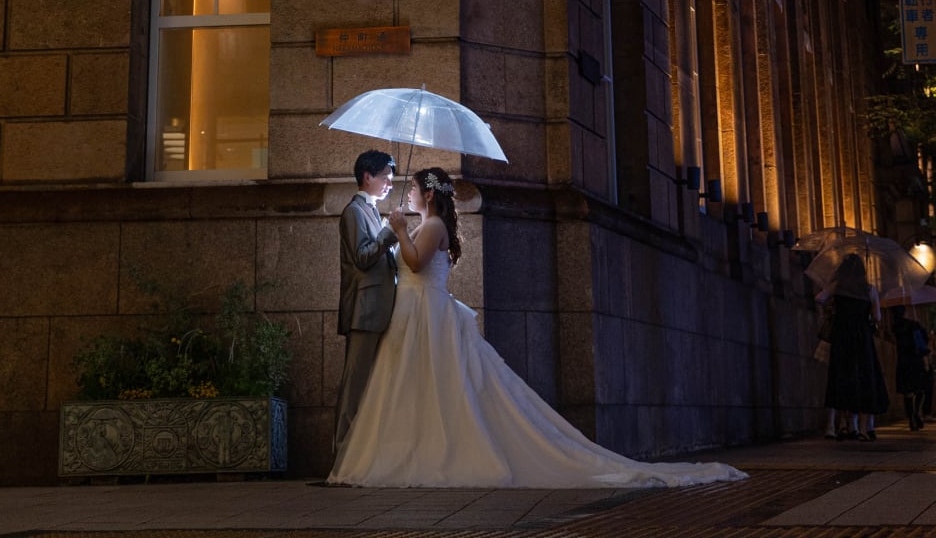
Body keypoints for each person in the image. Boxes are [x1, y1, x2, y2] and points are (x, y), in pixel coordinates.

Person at [328, 166, 747, 488]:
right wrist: (401, 232)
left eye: (417, 188)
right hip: (415, 314)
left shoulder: (432, 225)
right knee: (413, 389)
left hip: (426, 318)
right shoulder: (427, 225)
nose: (411, 192)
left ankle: (434, 452)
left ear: (429, 195)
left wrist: (398, 230)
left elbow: (416, 263)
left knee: (438, 388)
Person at [333, 149, 399, 451]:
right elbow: (362, 257)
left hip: (378, 310)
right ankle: (342, 455)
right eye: (385, 177)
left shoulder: (371, 210)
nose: (389, 184)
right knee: (355, 386)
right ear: (367, 176)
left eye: (391, 179)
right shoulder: (354, 211)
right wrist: (388, 234)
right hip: (364, 311)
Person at [817, 252, 889, 442]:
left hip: (841, 336)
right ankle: (864, 428)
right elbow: (877, 317)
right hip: (862, 336)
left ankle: (840, 425)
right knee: (864, 376)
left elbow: (820, 298)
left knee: (840, 376)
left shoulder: (837, 286)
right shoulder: (869, 289)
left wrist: (828, 312)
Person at [891, 304, 930, 430]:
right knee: (920, 389)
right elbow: (924, 341)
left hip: (903, 361)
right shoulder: (914, 325)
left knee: (907, 392)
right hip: (916, 361)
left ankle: (911, 417)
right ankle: (917, 412)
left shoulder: (895, 327)